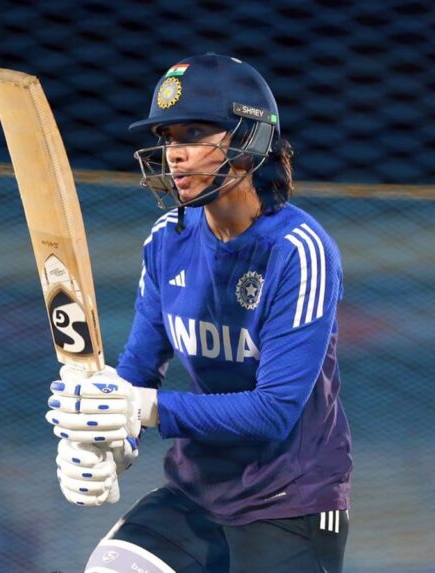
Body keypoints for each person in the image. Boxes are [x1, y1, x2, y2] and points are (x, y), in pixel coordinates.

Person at [44, 54, 352, 573]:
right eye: (167, 138)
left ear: (248, 139)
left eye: (192, 134)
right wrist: (108, 441)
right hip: (195, 495)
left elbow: (274, 411)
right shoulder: (168, 238)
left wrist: (141, 409)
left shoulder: (300, 250)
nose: (173, 155)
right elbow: (139, 369)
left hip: (291, 503)